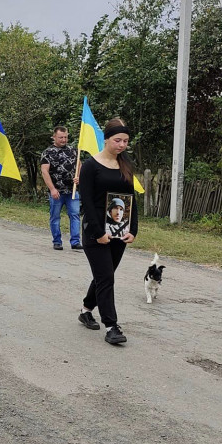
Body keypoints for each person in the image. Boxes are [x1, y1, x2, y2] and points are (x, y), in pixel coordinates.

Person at [77, 118, 139, 346]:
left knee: (104, 276)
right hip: (97, 233)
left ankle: (85, 310)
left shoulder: (126, 164)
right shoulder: (90, 166)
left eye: (125, 141)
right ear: (106, 139)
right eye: (117, 140)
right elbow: (87, 203)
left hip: (119, 232)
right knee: (106, 278)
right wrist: (98, 232)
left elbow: (132, 199)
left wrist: (133, 229)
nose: (122, 145)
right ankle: (112, 326)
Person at [40, 126, 81, 250]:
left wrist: (78, 176)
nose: (63, 140)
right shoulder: (47, 152)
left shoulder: (73, 150)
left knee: (75, 214)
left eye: (65, 137)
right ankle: (57, 241)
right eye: (61, 137)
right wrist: (52, 189)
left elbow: (79, 165)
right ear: (54, 137)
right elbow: (44, 172)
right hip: (57, 191)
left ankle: (75, 241)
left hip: (72, 191)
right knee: (55, 216)